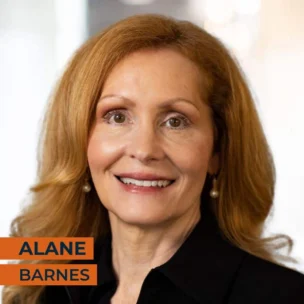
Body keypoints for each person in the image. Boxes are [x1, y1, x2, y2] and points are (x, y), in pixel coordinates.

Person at [2, 14, 304, 304]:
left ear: (217, 151)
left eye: (176, 121)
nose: (145, 149)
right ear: (79, 141)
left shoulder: (288, 296)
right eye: (117, 116)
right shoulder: (39, 286)